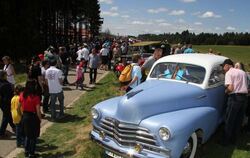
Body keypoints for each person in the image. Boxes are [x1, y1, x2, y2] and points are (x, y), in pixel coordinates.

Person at [221, 59, 248, 145]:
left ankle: (225, 141)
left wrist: (225, 91)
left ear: (227, 65)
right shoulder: (243, 72)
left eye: (223, 66)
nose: (223, 69)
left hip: (235, 98)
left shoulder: (229, 73)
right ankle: (234, 139)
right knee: (238, 120)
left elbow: (231, 88)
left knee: (229, 120)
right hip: (244, 98)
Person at [19, 80, 42, 157]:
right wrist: (40, 118)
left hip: (24, 116)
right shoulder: (36, 97)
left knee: (27, 135)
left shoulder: (22, 95)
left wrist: (21, 115)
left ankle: (26, 151)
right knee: (33, 137)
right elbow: (38, 111)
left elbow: (18, 107)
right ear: (34, 87)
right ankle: (31, 153)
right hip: (32, 117)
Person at [0, 70, 15, 137]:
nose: (7, 76)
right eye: (6, 75)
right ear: (3, 76)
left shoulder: (3, 83)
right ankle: (1, 133)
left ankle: (14, 127)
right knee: (6, 117)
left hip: (2, 103)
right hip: (6, 103)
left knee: (8, 115)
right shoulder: (6, 85)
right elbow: (9, 96)